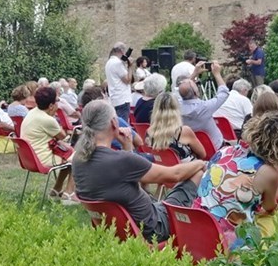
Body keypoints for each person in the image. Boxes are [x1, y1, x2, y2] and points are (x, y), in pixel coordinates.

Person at [72, 99, 206, 243]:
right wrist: (200, 163)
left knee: (168, 198)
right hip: (153, 229)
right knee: (197, 173)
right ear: (114, 123)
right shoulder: (120, 160)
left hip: (117, 228)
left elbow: (124, 179)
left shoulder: (78, 159)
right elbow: (174, 175)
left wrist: (127, 147)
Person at [195, 112, 278, 249]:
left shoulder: (224, 151)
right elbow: (271, 208)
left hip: (201, 229)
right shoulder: (267, 172)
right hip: (231, 241)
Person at [21, 86, 77, 201]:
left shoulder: (31, 113)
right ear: (51, 106)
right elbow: (63, 136)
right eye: (57, 101)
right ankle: (69, 194)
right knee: (78, 158)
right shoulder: (47, 119)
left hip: (30, 159)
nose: (58, 104)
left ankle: (56, 190)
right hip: (42, 160)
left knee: (68, 154)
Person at [179, 61, 230, 151]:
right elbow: (224, 93)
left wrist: (194, 73)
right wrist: (217, 74)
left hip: (192, 149)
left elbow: (182, 90)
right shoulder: (205, 107)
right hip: (215, 148)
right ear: (197, 92)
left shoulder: (176, 106)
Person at [146, 92, 207, 160]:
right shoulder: (183, 131)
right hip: (186, 169)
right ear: (176, 108)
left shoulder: (149, 132)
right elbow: (203, 154)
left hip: (162, 168)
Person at [105, 42, 134, 120]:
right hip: (122, 98)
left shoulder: (109, 62)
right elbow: (127, 80)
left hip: (114, 97)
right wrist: (130, 67)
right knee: (123, 125)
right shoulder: (117, 63)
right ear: (122, 51)